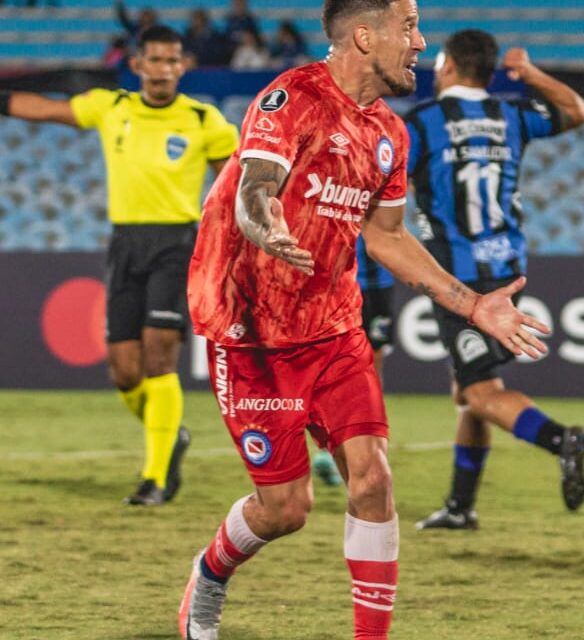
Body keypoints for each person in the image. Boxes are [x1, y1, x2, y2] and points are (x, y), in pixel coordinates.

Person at [179, 1, 549, 638]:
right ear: (364, 35)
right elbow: (255, 183)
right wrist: (262, 223)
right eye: (408, 29)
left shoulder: (391, 134)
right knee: (285, 510)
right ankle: (208, 576)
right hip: (253, 336)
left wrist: (471, 304)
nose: (419, 42)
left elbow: (387, 238)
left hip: (333, 328)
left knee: (373, 478)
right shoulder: (290, 97)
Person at [0, 25, 238, 506]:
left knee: (159, 356)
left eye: (173, 61)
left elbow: (233, 186)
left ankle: (155, 478)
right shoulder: (114, 109)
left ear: (183, 66)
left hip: (176, 243)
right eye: (155, 60)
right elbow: (46, 109)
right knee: (125, 373)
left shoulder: (204, 120)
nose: (164, 69)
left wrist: (231, 246)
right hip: (126, 244)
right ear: (137, 65)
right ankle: (170, 437)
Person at [401, 30, 584, 530]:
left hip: (459, 282)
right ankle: (461, 506)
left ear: (446, 67)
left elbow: (382, 183)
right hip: (507, 268)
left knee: (481, 393)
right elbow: (578, 111)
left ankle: (561, 440)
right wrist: (530, 75)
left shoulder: (423, 122)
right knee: (471, 393)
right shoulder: (510, 114)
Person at [311, 235, 394, 488]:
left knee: (372, 361)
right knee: (331, 363)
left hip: (378, 282)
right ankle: (330, 446)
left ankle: (367, 445)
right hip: (336, 281)